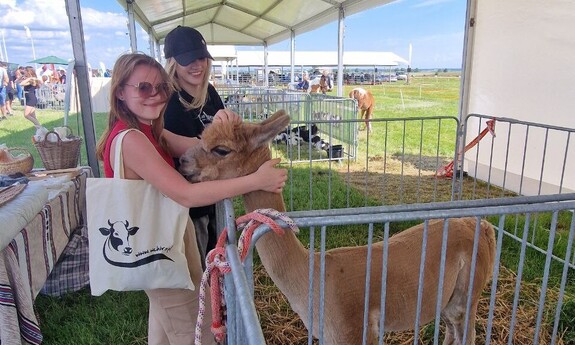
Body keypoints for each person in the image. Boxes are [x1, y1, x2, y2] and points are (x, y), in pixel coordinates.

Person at [95, 52, 287, 345]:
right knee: (195, 334)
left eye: (162, 88)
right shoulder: (133, 140)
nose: (155, 96)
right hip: (157, 250)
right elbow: (186, 194)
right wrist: (255, 181)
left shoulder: (148, 131)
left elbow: (206, 146)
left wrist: (224, 127)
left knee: (162, 332)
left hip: (162, 244)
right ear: (120, 91)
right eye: (144, 88)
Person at [162, 25, 224, 267]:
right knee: (197, 262)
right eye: (188, 59)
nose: (197, 65)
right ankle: (202, 302)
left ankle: (217, 299)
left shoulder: (209, 92)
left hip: (215, 189)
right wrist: (212, 146)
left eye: (201, 57)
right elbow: (172, 145)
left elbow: (225, 128)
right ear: (172, 62)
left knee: (218, 251)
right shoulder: (169, 100)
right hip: (188, 198)